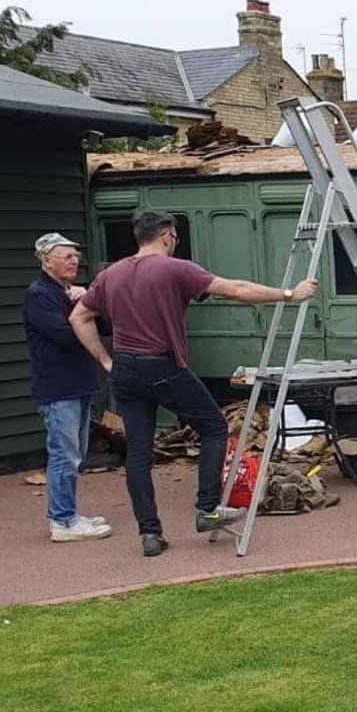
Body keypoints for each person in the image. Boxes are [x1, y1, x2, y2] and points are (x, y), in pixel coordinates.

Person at [69, 210, 318, 556]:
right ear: (167, 235)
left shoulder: (111, 274)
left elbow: (78, 316)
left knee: (139, 455)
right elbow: (236, 289)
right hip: (162, 365)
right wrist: (291, 294)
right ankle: (207, 509)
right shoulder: (176, 268)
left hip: (124, 370)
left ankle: (150, 534)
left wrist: (106, 361)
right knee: (214, 426)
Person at [21, 233, 113, 543]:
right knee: (63, 454)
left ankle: (69, 513)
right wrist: (80, 308)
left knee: (76, 453)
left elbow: (105, 326)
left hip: (81, 383)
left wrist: (89, 301)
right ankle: (62, 521)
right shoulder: (39, 295)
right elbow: (66, 335)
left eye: (75, 256)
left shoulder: (69, 292)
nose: (74, 261)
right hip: (57, 388)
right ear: (46, 260)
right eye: (66, 256)